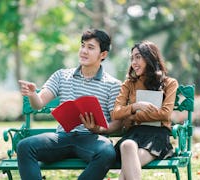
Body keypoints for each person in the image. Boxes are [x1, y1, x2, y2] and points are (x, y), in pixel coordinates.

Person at [17, 29, 122, 180]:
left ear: (103, 54)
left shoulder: (113, 85)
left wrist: (98, 128)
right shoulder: (62, 75)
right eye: (82, 45)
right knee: (25, 146)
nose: (83, 51)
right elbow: (38, 104)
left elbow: (117, 124)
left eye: (90, 47)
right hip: (62, 137)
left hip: (91, 140)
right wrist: (33, 94)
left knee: (107, 152)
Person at [112, 41, 178, 180]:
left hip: (157, 136)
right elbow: (116, 113)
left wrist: (134, 117)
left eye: (138, 57)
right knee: (128, 145)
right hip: (134, 135)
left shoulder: (169, 83)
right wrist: (135, 106)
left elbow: (165, 113)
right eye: (132, 58)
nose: (134, 62)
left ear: (150, 57)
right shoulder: (129, 84)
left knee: (126, 172)